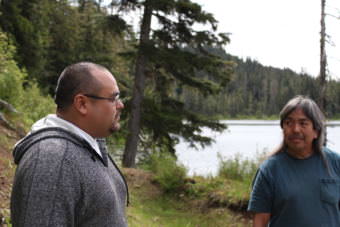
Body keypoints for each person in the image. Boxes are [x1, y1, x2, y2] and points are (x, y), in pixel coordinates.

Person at [10, 62, 129, 227]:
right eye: (113, 98)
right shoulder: (53, 160)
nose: (120, 105)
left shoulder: (89, 144)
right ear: (82, 104)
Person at [248, 95, 340, 227]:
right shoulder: (269, 170)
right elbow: (260, 222)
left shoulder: (335, 163)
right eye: (289, 123)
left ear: (316, 131)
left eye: (303, 123)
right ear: (283, 129)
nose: (295, 129)